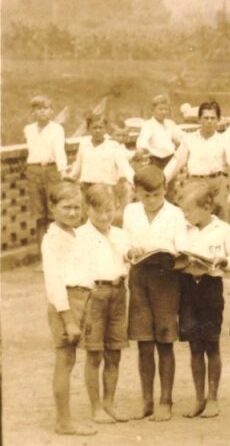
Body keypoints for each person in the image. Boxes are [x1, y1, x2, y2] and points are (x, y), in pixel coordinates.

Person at [123, 165, 188, 421]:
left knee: (164, 339)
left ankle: (166, 401)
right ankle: (147, 400)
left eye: (156, 195)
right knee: (143, 341)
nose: (151, 201)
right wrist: (130, 252)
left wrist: (173, 256)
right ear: (136, 192)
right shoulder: (130, 211)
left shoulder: (174, 214)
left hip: (166, 278)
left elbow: (182, 249)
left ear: (165, 190)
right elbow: (125, 243)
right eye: (145, 196)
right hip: (139, 277)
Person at [176, 182, 230, 419]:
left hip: (211, 287)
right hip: (188, 289)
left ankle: (213, 398)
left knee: (211, 343)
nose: (186, 216)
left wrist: (224, 262)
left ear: (207, 207)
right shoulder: (183, 229)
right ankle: (198, 398)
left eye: (189, 211)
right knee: (194, 345)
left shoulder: (223, 230)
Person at [42, 181, 96, 436]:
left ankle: (65, 420)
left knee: (70, 359)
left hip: (81, 298)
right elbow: (54, 283)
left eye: (77, 207)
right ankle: (64, 421)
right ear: (52, 207)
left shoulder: (74, 234)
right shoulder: (52, 238)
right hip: (66, 303)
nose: (73, 213)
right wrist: (68, 319)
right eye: (66, 208)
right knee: (64, 360)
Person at [77, 185, 131, 425]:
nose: (104, 216)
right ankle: (96, 407)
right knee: (94, 353)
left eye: (108, 210)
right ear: (86, 209)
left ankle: (109, 402)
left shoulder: (120, 234)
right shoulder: (79, 236)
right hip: (94, 295)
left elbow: (127, 260)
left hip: (119, 293)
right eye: (98, 210)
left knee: (114, 352)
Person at [164, 100, 230, 219]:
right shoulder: (189, 139)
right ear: (199, 119)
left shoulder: (223, 140)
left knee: (221, 220)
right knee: (194, 220)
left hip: (217, 185)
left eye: (213, 118)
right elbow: (176, 162)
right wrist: (162, 180)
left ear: (218, 120)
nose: (209, 121)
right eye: (206, 118)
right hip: (195, 184)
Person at [25, 95, 68, 247]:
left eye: (46, 108)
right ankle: (42, 256)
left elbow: (60, 152)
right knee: (38, 214)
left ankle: (56, 252)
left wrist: (63, 172)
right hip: (34, 171)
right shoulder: (29, 130)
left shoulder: (57, 129)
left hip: (51, 170)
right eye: (38, 109)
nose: (42, 112)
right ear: (33, 112)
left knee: (52, 212)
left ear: (51, 111)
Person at [65, 113, 135, 191]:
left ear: (105, 129)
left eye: (100, 128)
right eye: (94, 128)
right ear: (88, 129)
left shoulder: (113, 146)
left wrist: (134, 182)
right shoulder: (84, 144)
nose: (98, 131)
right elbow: (77, 168)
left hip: (106, 188)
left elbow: (125, 167)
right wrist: (69, 178)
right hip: (87, 187)